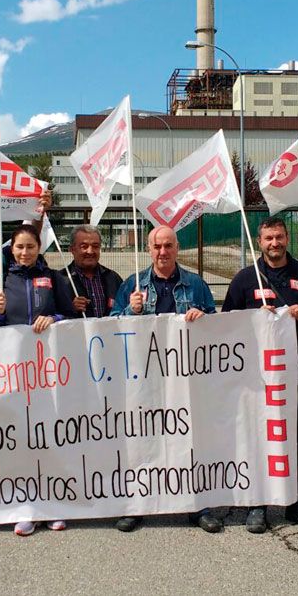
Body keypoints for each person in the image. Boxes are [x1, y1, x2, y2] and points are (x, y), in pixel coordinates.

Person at [111, 225, 217, 533]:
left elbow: (216, 325)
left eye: (168, 245)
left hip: (185, 379)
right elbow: (113, 324)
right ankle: (138, 503)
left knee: (191, 440)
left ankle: (199, 505)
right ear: (149, 249)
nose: (162, 251)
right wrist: (130, 312)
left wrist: (203, 317)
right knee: (142, 440)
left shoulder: (195, 284)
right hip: (145, 379)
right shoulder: (134, 283)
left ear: (177, 248)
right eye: (157, 246)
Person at [223, 217, 298, 532]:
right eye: (268, 238)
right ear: (260, 239)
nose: (274, 243)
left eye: (279, 237)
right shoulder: (244, 278)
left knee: (297, 438)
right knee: (259, 438)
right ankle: (258, 503)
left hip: (296, 373)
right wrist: (254, 318)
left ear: (286, 239)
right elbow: (227, 325)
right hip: (256, 378)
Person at [0, 223, 72, 536]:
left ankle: (55, 503)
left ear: (39, 249)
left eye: (31, 247)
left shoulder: (53, 279)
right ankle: (26, 506)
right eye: (19, 247)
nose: (25, 253)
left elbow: (71, 315)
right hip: (14, 373)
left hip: (48, 372)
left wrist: (55, 318)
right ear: (11, 249)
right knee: (21, 438)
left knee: (49, 435)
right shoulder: (1, 280)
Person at [59, 224, 123, 319]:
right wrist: (69, 308)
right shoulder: (60, 280)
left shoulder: (113, 278)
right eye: (84, 246)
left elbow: (124, 310)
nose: (90, 251)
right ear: (72, 249)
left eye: (95, 246)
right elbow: (49, 314)